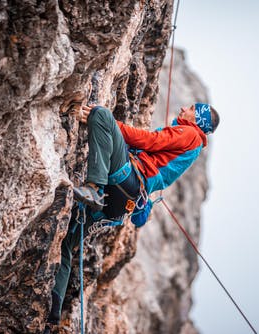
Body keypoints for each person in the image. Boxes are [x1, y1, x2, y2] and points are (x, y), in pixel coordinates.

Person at [46, 102, 220, 326]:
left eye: (192, 109)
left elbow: (151, 141)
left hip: (127, 179)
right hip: (122, 203)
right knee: (67, 242)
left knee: (101, 115)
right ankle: (51, 316)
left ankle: (94, 188)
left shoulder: (190, 133)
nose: (185, 108)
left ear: (199, 119)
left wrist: (113, 127)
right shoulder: (192, 147)